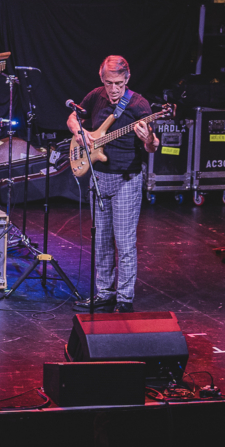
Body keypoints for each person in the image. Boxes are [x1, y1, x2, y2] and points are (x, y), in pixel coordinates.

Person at [67, 56, 158, 312]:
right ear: (102, 80)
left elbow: (152, 147)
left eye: (118, 83)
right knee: (101, 240)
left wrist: (148, 137)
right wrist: (80, 132)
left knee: (125, 242)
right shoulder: (96, 96)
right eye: (109, 83)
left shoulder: (139, 105)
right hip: (99, 177)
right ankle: (104, 293)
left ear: (127, 79)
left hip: (126, 179)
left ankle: (124, 299)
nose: (114, 89)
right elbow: (73, 117)